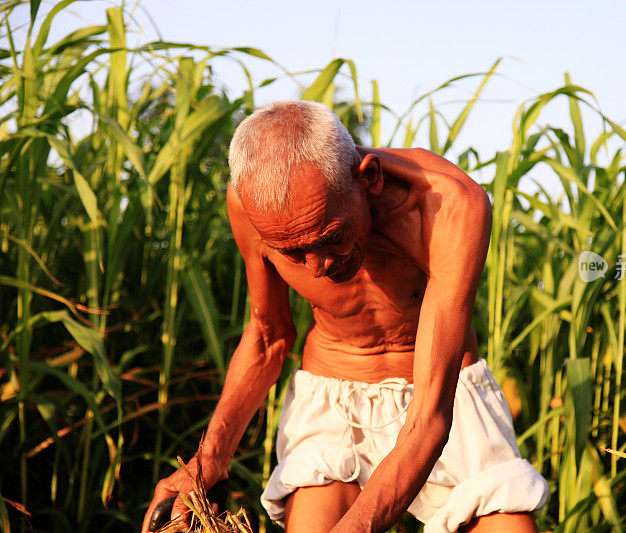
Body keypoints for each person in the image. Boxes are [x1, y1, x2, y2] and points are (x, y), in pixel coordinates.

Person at [142, 101, 549, 533]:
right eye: (293, 252)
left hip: (445, 397)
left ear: (368, 179)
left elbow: (431, 416)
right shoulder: (250, 205)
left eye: (329, 237)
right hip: (333, 407)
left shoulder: (448, 205)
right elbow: (268, 336)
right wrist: (211, 457)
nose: (316, 268)